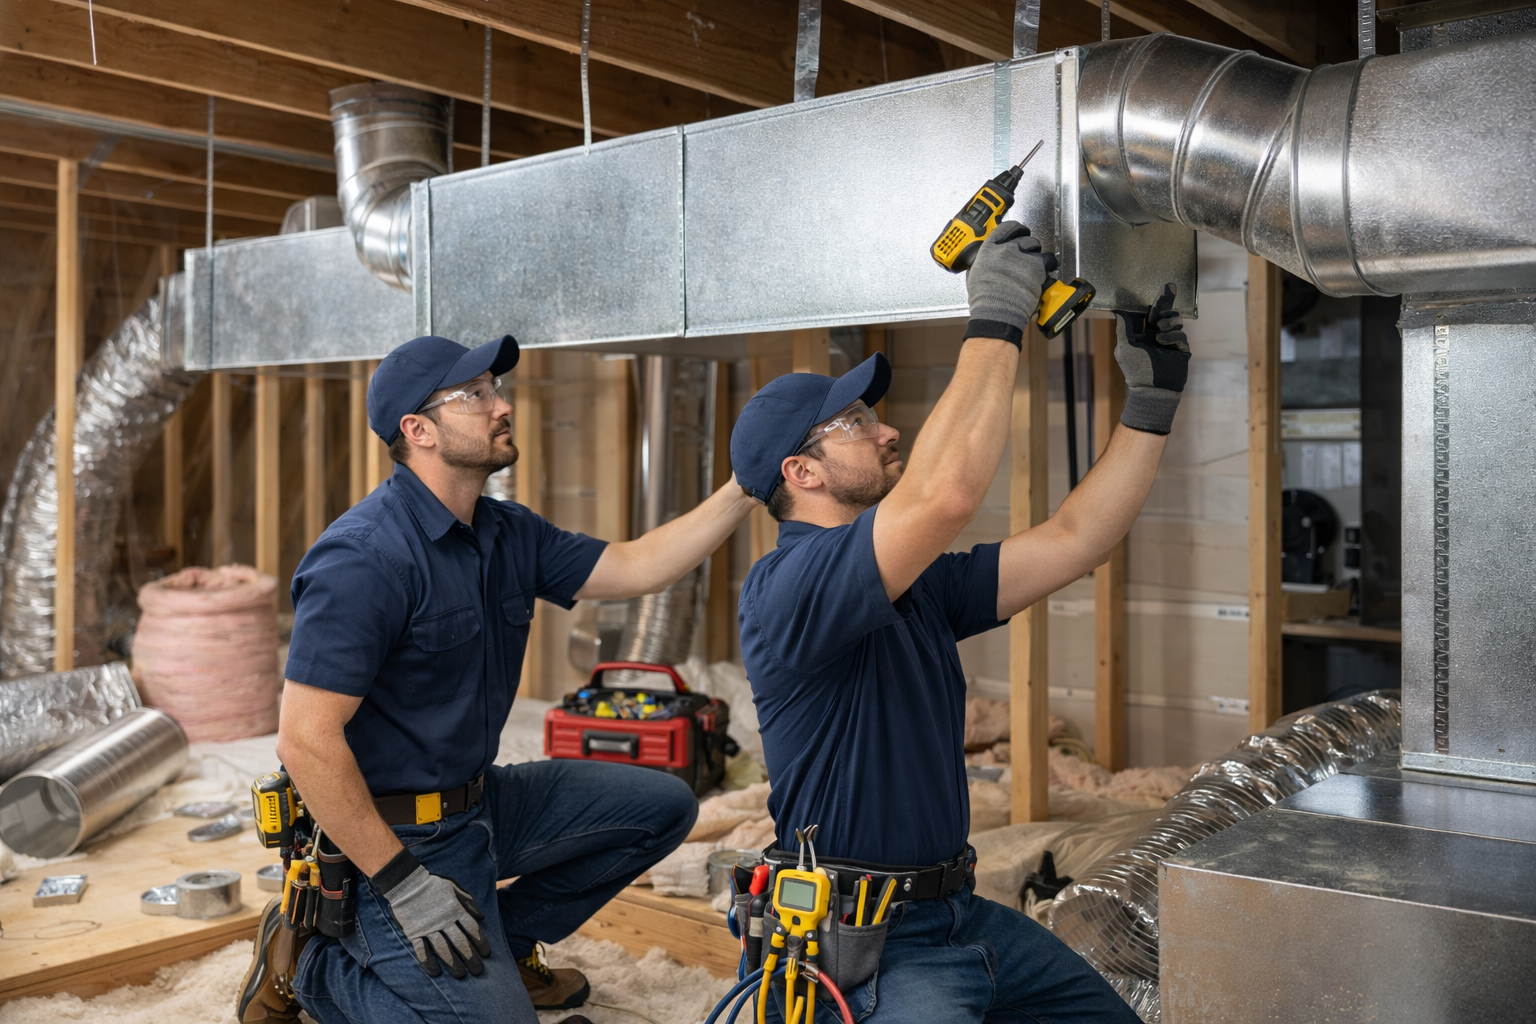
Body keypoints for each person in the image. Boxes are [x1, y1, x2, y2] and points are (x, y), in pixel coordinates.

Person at [730, 222, 1189, 1022]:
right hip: (863, 946)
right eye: (855, 425)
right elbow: (944, 496)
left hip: (959, 914)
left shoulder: (916, 588)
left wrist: (1150, 402)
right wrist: (998, 314)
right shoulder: (788, 588)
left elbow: (1076, 541)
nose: (887, 429)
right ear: (800, 474)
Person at [238, 334, 758, 1024]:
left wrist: (744, 486)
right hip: (387, 842)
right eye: (475, 395)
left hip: (480, 807)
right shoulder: (363, 560)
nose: (501, 405)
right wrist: (402, 883)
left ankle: (501, 944)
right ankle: (314, 967)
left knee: (663, 806)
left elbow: (638, 567)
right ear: (417, 430)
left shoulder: (507, 533)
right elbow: (304, 742)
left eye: (495, 389)